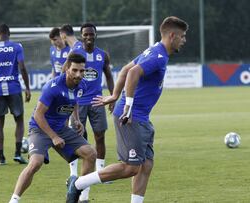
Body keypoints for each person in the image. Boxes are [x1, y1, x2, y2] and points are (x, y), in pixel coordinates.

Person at [66, 16, 188, 203]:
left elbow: (124, 69)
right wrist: (128, 105)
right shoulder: (159, 56)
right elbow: (132, 72)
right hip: (132, 116)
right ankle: (78, 184)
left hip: (141, 117)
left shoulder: (154, 50)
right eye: (182, 36)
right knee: (130, 167)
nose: (184, 40)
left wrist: (115, 95)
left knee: (146, 164)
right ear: (172, 35)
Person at [8, 52, 97, 203]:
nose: (78, 74)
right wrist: (53, 136)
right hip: (40, 128)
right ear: (67, 69)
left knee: (90, 154)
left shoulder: (81, 84)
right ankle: (14, 200)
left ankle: (77, 193)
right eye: (74, 70)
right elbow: (38, 115)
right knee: (36, 163)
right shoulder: (53, 87)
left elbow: (74, 101)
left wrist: (76, 119)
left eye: (82, 70)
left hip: (61, 129)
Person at [70, 23, 115, 202]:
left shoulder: (102, 55)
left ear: (95, 35)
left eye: (91, 34)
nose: (89, 37)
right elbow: (66, 73)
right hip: (78, 102)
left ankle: (100, 171)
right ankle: (73, 174)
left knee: (100, 137)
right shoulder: (75, 54)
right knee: (77, 139)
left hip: (97, 101)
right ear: (81, 36)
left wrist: (112, 96)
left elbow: (109, 76)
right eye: (85, 34)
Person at [0, 24, 31, 165]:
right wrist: (27, 88)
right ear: (9, 34)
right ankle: (17, 154)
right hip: (14, 88)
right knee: (19, 120)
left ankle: (1, 157)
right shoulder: (16, 47)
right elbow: (22, 67)